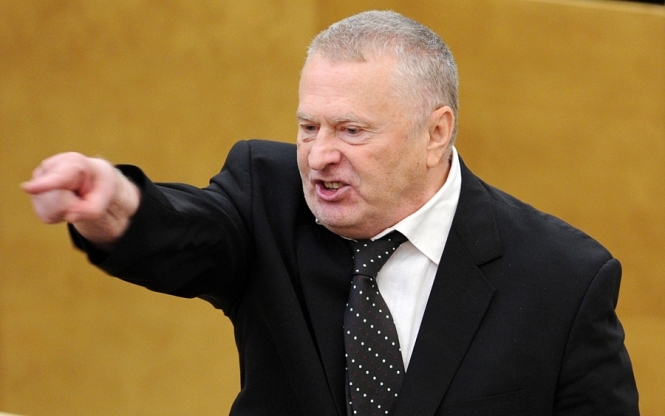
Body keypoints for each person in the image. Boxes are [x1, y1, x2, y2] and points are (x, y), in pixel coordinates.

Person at [22, 10, 639, 416]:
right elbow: (187, 232)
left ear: (436, 133)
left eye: (351, 130)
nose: (319, 156)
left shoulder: (563, 278)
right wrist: (117, 204)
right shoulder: (269, 200)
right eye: (308, 127)